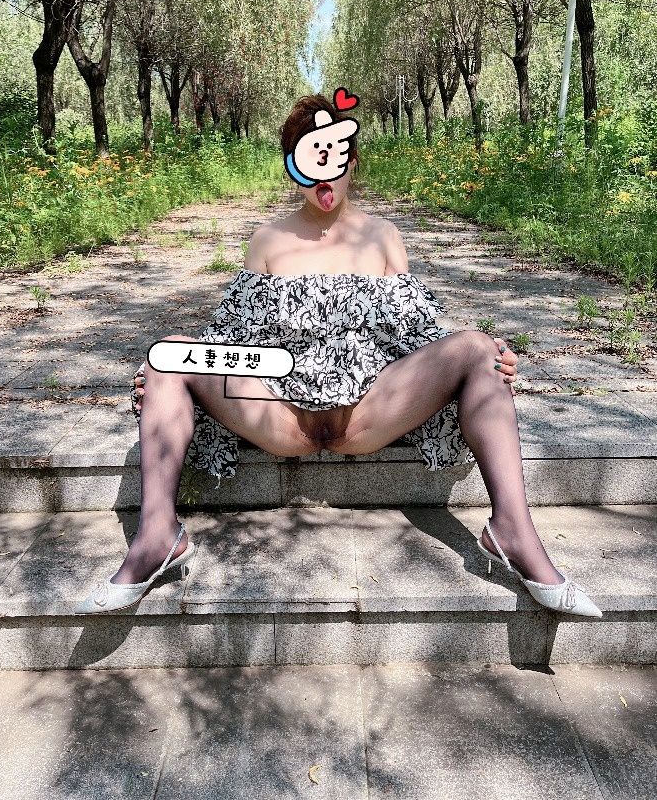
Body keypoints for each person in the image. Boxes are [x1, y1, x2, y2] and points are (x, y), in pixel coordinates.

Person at [75, 94, 602, 618]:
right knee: (169, 356)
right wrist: (169, 371)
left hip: (367, 414)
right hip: (281, 416)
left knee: (476, 347)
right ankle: (157, 536)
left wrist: (485, 360)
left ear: (352, 163)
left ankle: (513, 530)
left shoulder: (383, 237)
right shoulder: (267, 242)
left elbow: (418, 334)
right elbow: (231, 340)